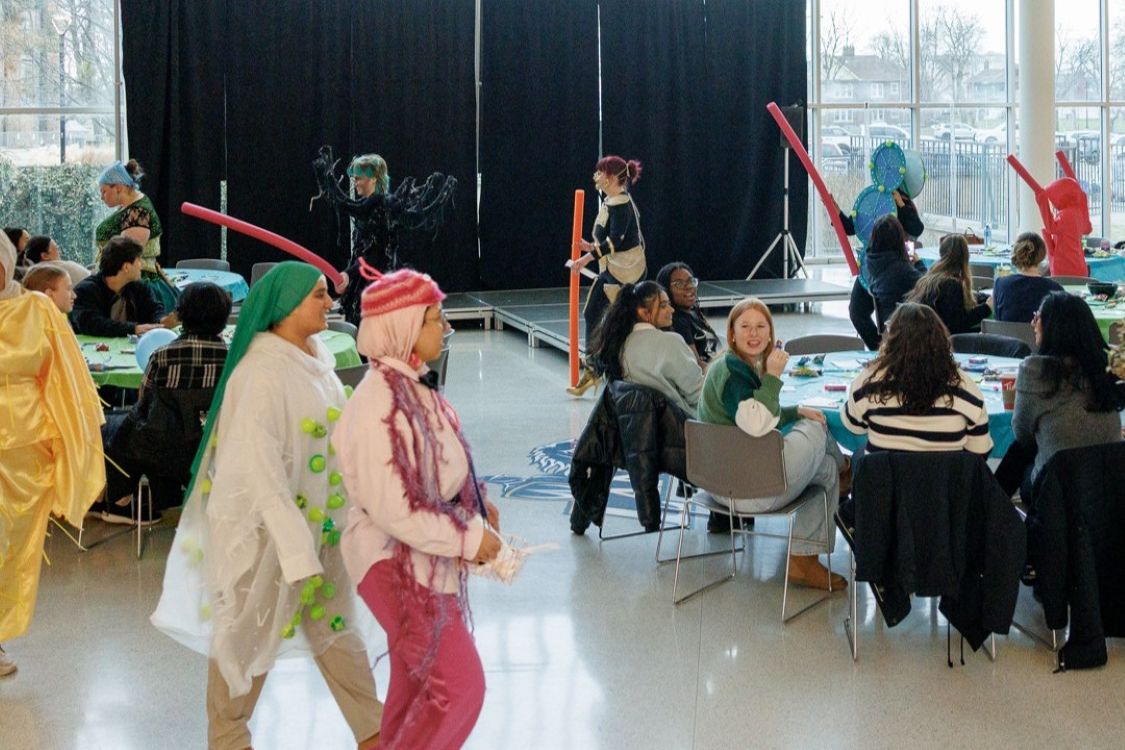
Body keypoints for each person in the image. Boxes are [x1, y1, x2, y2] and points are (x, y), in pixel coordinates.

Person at [150, 262, 383, 750]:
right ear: (285, 306)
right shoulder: (259, 373)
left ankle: (374, 732)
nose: (329, 303)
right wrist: (296, 548)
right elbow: (258, 470)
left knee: (338, 629)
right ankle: (228, 738)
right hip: (262, 535)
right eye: (318, 295)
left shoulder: (316, 360)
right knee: (245, 639)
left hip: (321, 529)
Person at [334, 268, 502, 749]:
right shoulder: (376, 405)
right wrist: (468, 537)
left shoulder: (409, 386)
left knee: (416, 690)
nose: (445, 327)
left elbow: (437, 466)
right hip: (392, 563)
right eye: (434, 318)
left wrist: (475, 503)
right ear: (404, 327)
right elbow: (397, 510)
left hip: (421, 556)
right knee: (461, 688)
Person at [0, 232, 105, 678]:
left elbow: (66, 379)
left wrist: (71, 444)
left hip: (23, 451)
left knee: (10, 545)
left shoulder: (36, 309)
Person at [696, 298, 848, 590]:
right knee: (817, 426)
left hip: (720, 481)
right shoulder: (733, 374)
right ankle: (849, 471)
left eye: (760, 326)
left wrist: (795, 411)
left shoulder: (735, 365)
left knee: (826, 468)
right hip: (746, 490)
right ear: (731, 334)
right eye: (745, 327)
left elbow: (758, 415)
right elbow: (756, 423)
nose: (753, 333)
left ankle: (803, 560)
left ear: (770, 334)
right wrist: (774, 377)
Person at [97, 282, 232, 524]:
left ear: (181, 315)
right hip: (216, 449)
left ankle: (120, 501)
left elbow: (143, 402)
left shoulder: (162, 355)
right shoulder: (232, 359)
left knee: (114, 425)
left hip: (161, 450)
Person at [994, 291, 1125, 499]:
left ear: (1051, 326)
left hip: (1056, 492)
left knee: (1021, 450)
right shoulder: (1105, 367)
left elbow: (1022, 433)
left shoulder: (1036, 370)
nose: (1032, 323)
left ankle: (991, 505)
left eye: (1037, 317)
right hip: (1108, 487)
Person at [313, 147, 458, 325]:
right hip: (375, 281)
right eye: (354, 178)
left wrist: (349, 274)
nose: (355, 182)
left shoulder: (379, 205)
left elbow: (374, 252)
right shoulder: (378, 204)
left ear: (373, 179)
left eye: (359, 178)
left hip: (377, 284)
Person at [841, 303, 993, 454]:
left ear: (891, 341)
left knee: (860, 455)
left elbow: (853, 426)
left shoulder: (870, 382)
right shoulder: (965, 388)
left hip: (885, 469)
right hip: (944, 470)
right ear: (941, 340)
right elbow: (979, 451)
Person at [568, 155, 646, 395]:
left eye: (602, 172)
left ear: (611, 177)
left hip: (625, 271)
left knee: (620, 321)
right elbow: (610, 241)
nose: (598, 177)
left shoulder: (621, 205)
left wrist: (586, 258)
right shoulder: (612, 202)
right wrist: (591, 248)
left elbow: (616, 242)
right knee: (594, 311)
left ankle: (608, 367)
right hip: (613, 268)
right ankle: (593, 366)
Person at [585, 280, 703, 413]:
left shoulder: (617, 344)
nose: (672, 309)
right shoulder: (670, 342)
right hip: (679, 422)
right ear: (644, 313)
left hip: (633, 423)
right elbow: (699, 395)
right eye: (663, 306)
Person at [832, 190, 924, 350]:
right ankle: (880, 350)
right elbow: (854, 227)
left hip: (889, 265)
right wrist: (837, 212)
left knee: (891, 316)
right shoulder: (872, 198)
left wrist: (901, 205)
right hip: (875, 267)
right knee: (857, 311)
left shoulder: (901, 199)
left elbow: (916, 228)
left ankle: (885, 351)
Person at [95, 159, 180, 312]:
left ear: (118, 188)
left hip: (135, 284)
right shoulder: (130, 208)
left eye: (104, 191)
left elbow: (125, 256)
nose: (102, 197)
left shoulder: (138, 213)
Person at [71, 236, 172, 336]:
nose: (142, 264)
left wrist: (162, 320)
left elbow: (154, 309)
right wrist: (133, 329)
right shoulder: (86, 291)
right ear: (126, 267)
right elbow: (92, 324)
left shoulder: (139, 288)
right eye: (139, 260)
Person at [855, 214, 924, 349]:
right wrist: (919, 264)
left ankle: (878, 348)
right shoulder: (901, 270)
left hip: (886, 325)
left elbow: (856, 312)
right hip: (904, 327)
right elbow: (925, 285)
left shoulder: (870, 264)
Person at [906, 234, 993, 334]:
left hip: (923, 335)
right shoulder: (951, 285)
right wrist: (987, 308)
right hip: (940, 338)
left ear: (941, 252)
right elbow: (958, 324)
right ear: (966, 256)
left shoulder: (929, 278)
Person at [656, 261, 721, 370]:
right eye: (679, 284)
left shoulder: (693, 310)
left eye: (691, 281)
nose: (689, 286)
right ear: (666, 290)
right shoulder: (677, 322)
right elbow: (697, 366)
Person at [991, 232, 1064, 323]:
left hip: (1006, 332)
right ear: (1042, 255)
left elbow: (997, 319)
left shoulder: (1001, 284)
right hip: (1041, 333)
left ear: (1016, 253)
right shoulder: (1056, 289)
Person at [22, 234, 90, 285]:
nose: (60, 252)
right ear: (45, 256)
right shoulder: (66, 268)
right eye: (56, 248)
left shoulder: (28, 276)